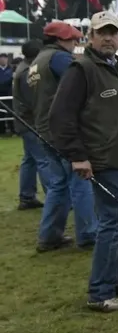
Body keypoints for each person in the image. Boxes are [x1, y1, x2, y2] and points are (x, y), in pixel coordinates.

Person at [48, 11, 118, 312]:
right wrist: (78, 156)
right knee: (113, 223)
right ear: (90, 37)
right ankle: (100, 292)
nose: (108, 38)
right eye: (101, 33)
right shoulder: (81, 70)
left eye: (113, 33)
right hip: (108, 161)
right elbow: (61, 116)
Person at [28, 21, 96, 252]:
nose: (76, 43)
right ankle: (88, 234)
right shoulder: (59, 59)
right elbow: (83, 79)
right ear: (60, 40)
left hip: (44, 130)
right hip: (64, 132)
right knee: (81, 181)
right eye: (72, 39)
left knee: (58, 185)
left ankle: (49, 236)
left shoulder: (37, 62)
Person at [12, 40, 44, 210]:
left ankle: (27, 196)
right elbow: (32, 100)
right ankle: (57, 197)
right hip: (30, 122)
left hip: (25, 121)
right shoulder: (27, 72)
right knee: (43, 160)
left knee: (30, 160)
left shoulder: (23, 68)